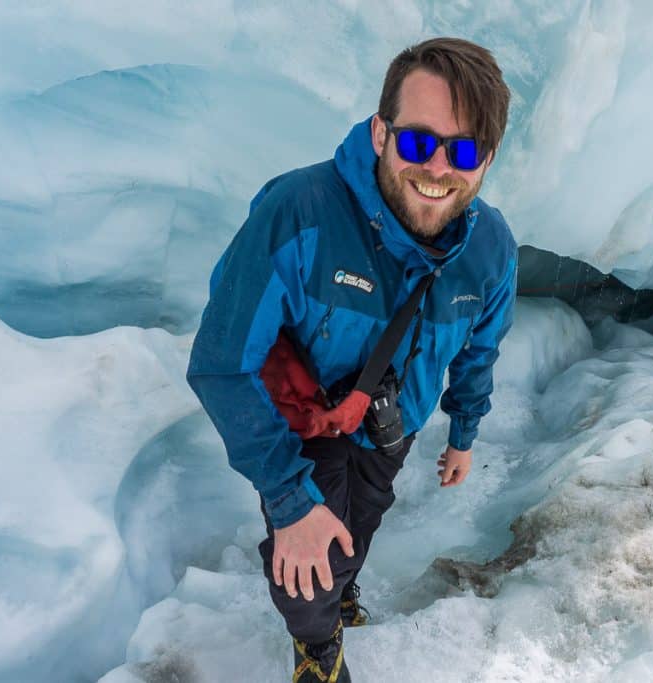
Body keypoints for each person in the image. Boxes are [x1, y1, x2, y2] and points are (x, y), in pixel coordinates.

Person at [187, 37, 516, 682]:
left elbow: (480, 349)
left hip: (394, 426)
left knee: (359, 527)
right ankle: (316, 644)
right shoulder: (300, 212)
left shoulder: (491, 250)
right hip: (307, 425)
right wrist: (287, 499)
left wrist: (465, 433)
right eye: (419, 142)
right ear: (379, 132)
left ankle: (342, 593)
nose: (438, 168)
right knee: (308, 568)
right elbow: (223, 361)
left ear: (487, 159)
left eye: (465, 150)